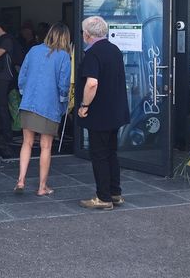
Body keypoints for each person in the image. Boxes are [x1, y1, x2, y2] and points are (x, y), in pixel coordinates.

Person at [77, 16, 130, 210]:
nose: (83, 34)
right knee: (111, 153)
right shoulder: (114, 50)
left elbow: (92, 83)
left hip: (99, 113)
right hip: (115, 111)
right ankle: (115, 193)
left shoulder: (93, 54)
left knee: (98, 154)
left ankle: (103, 197)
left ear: (88, 34)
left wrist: (83, 106)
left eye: (83, 32)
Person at [15, 23, 71, 196]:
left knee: (27, 143)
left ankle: (21, 180)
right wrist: (64, 102)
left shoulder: (33, 51)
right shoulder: (63, 56)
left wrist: (25, 93)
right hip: (49, 105)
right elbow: (63, 84)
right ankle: (42, 187)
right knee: (46, 146)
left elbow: (22, 76)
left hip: (29, 102)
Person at [0, 20, 23, 146]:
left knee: (2, 106)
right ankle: (5, 133)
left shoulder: (6, 40)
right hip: (0, 76)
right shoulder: (0, 40)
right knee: (0, 105)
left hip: (3, 76)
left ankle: (7, 135)